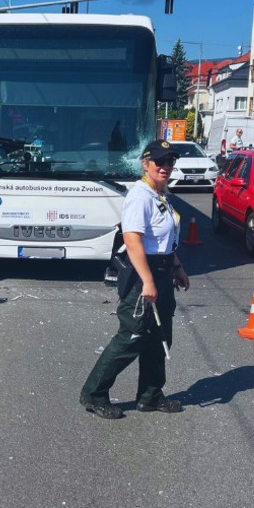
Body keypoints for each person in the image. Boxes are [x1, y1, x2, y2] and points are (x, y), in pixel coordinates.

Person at [80, 140, 190, 419]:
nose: (165, 167)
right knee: (132, 335)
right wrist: (148, 281)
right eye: (159, 162)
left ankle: (151, 395)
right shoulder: (140, 196)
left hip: (163, 269)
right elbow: (132, 241)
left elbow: (163, 240)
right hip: (144, 274)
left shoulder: (160, 194)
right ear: (146, 164)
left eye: (170, 162)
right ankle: (93, 394)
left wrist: (176, 266)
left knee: (159, 336)